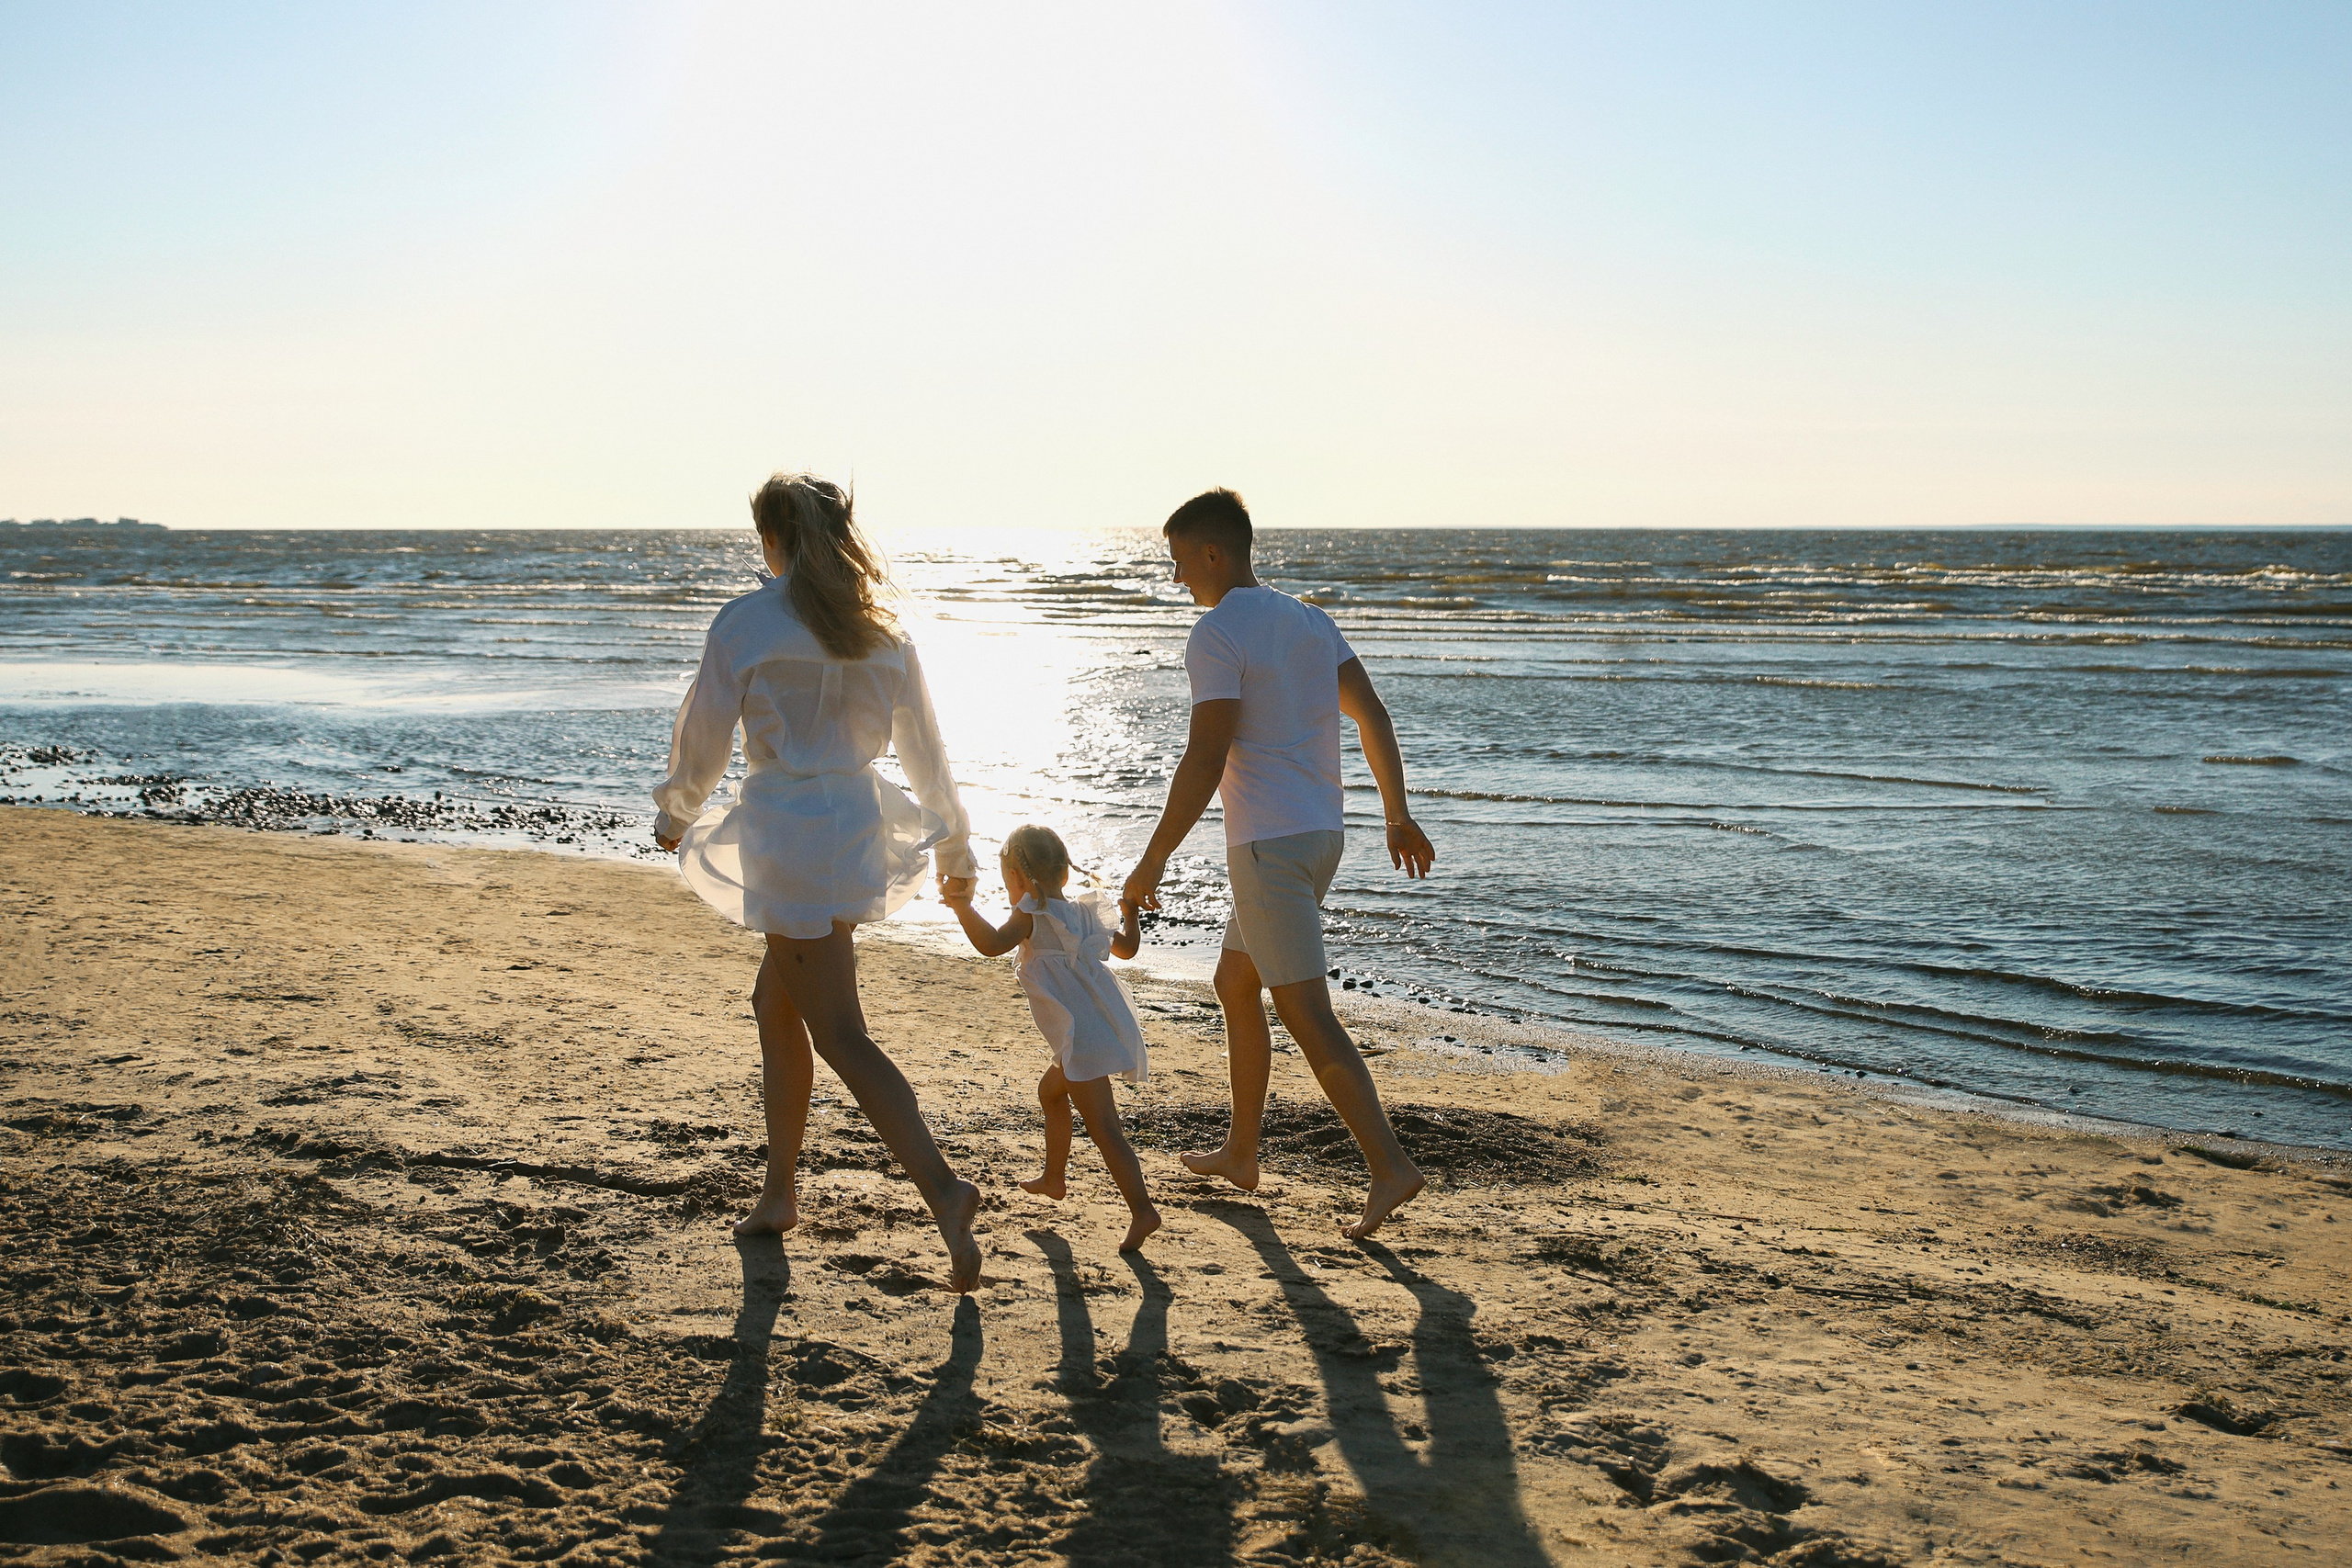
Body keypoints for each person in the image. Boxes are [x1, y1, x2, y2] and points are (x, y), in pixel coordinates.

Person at [652, 471, 984, 1292]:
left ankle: (945, 1191)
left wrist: (676, 809)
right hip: (854, 825)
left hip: (790, 836)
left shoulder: (749, 621)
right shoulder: (883, 632)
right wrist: (955, 848)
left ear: (773, 536)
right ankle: (779, 1192)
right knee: (777, 1001)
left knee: (839, 1031)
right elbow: (927, 754)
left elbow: (704, 730)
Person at [1122, 488, 1436, 1240]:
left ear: (1212, 553)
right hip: (1320, 838)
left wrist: (1152, 859)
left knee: (1307, 1014)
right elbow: (1375, 716)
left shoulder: (1217, 632)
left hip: (1266, 848)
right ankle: (1240, 1151)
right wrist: (1396, 812)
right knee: (1235, 981)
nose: (1176, 581)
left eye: (1177, 564)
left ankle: (1389, 1165)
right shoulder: (1309, 619)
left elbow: (1206, 754)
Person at [944, 825, 1161, 1252]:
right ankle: (1053, 1177)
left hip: (1080, 1038)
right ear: (1065, 875)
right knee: (1050, 1092)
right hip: (1096, 1026)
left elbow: (991, 944)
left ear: (1019, 880)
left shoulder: (1031, 914)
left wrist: (961, 907)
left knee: (1105, 1129)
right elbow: (1128, 950)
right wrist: (1131, 914)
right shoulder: (1085, 912)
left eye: (1009, 882)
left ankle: (1142, 1210)